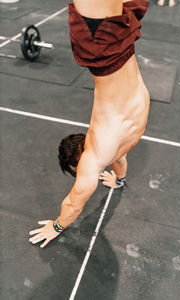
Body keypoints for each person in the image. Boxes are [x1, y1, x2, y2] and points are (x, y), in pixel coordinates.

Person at [29, 0, 150, 248]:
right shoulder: (101, 145)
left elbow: (75, 201)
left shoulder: (107, 152)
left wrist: (57, 226)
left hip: (117, 46)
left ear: (77, 159)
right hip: (106, 54)